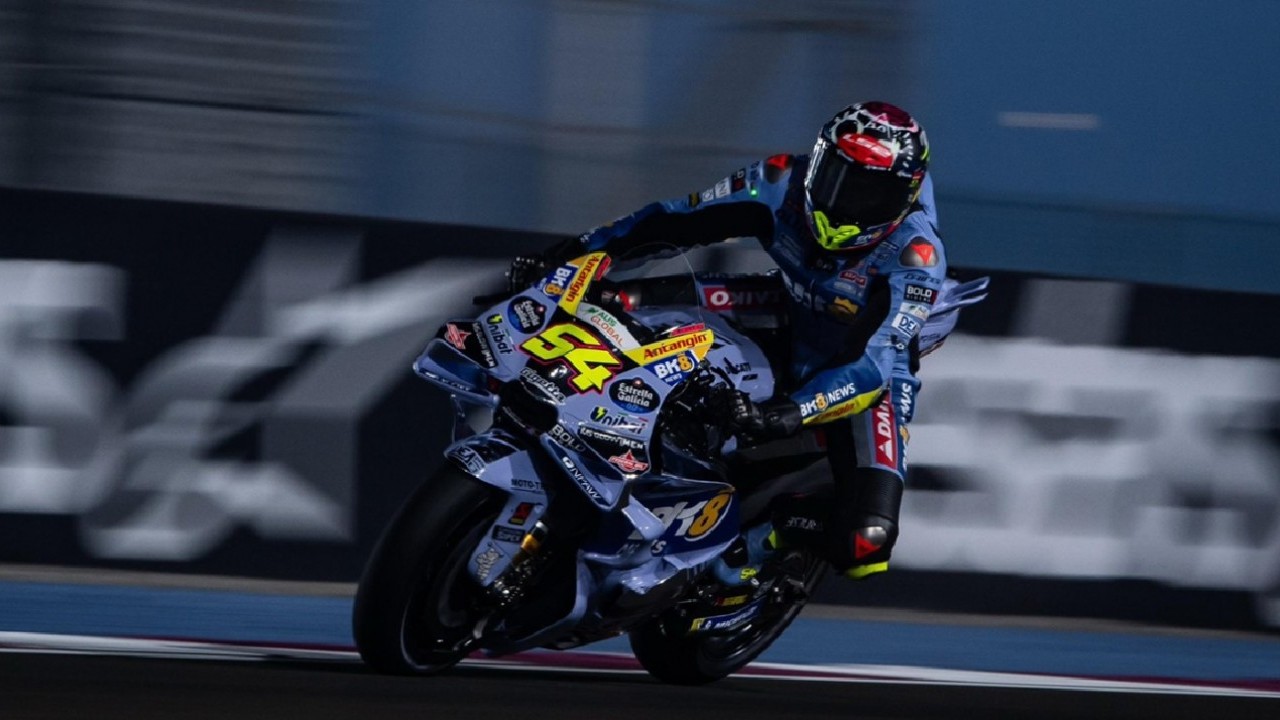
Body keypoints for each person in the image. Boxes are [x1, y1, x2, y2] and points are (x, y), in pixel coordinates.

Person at [508, 101, 951, 581]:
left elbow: (872, 366)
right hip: (784, 308)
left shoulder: (915, 256)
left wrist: (789, 412)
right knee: (620, 302)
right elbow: (672, 220)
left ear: (904, 197)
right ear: (817, 159)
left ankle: (761, 543)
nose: (845, 201)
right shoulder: (779, 180)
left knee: (867, 541)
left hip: (865, 376)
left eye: (867, 194)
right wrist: (570, 256)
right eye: (835, 177)